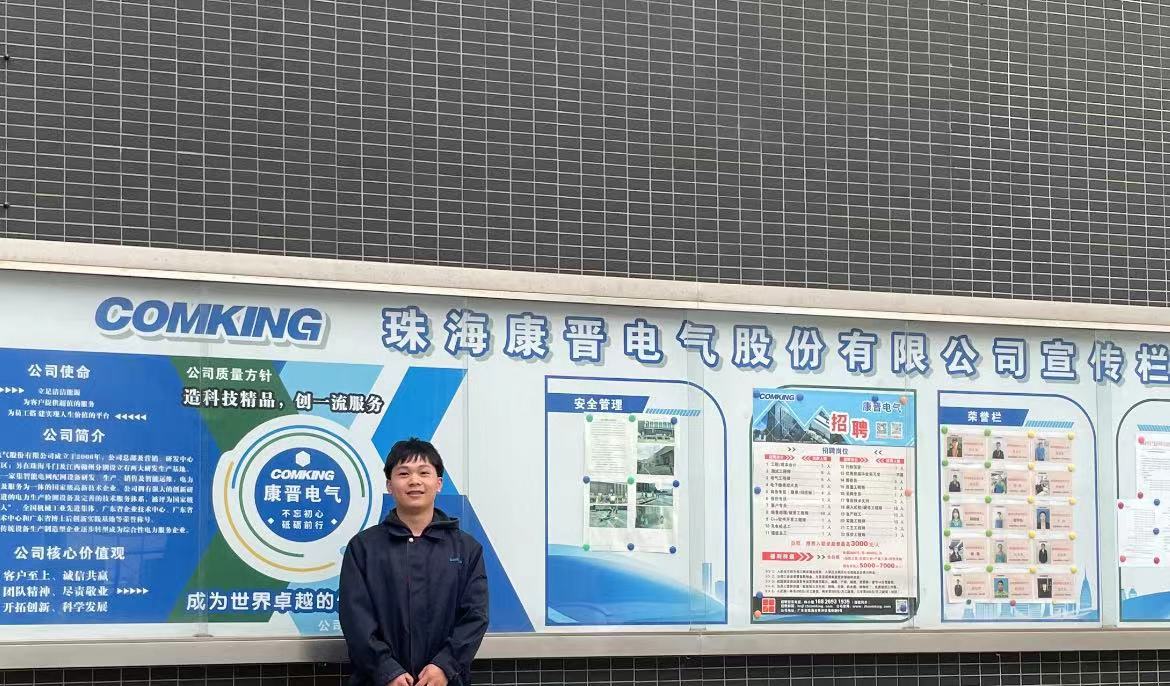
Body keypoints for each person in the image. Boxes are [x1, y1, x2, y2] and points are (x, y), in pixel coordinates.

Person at [340, 438, 489, 686]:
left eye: (423, 472)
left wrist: (444, 666)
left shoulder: (466, 548)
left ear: (438, 483)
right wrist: (387, 671)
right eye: (404, 473)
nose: (414, 481)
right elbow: (355, 619)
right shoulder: (364, 547)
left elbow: (475, 616)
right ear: (389, 485)